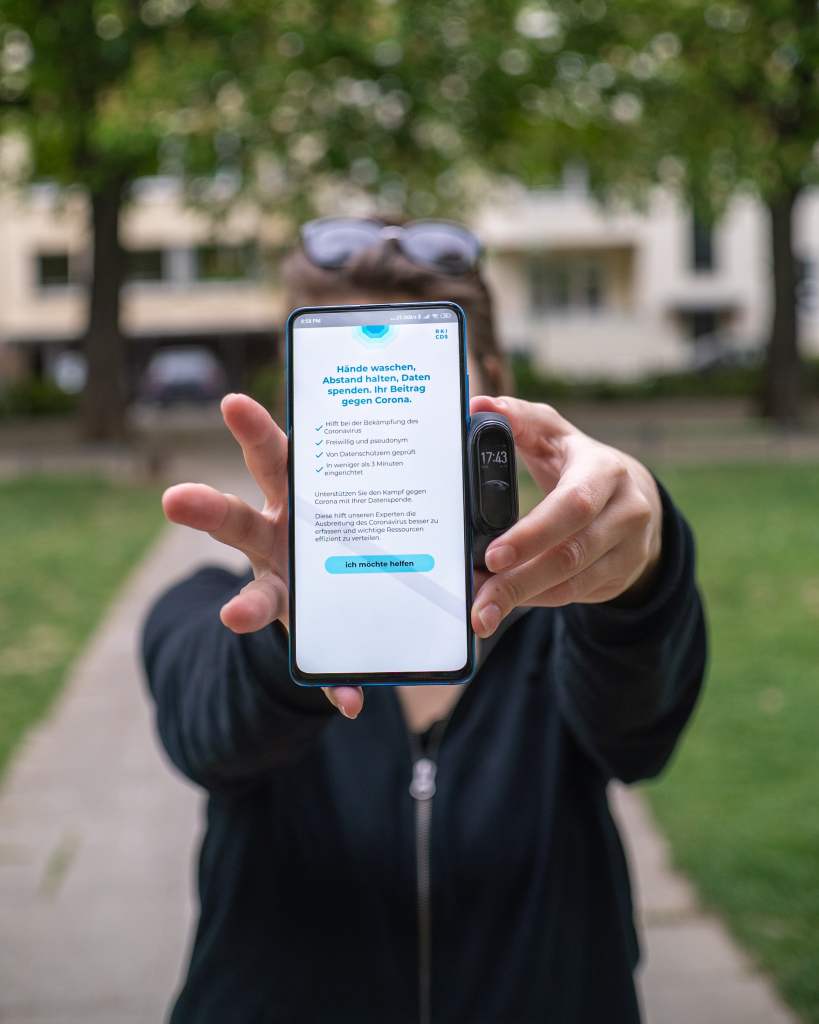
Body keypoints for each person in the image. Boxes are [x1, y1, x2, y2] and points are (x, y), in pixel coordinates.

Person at [143, 217, 706, 1024]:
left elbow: (639, 735)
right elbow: (213, 732)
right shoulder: (203, 607)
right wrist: (288, 645)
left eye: (423, 377)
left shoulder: (560, 625)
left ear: (496, 399)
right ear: (289, 413)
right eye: (350, 381)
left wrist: (639, 576)